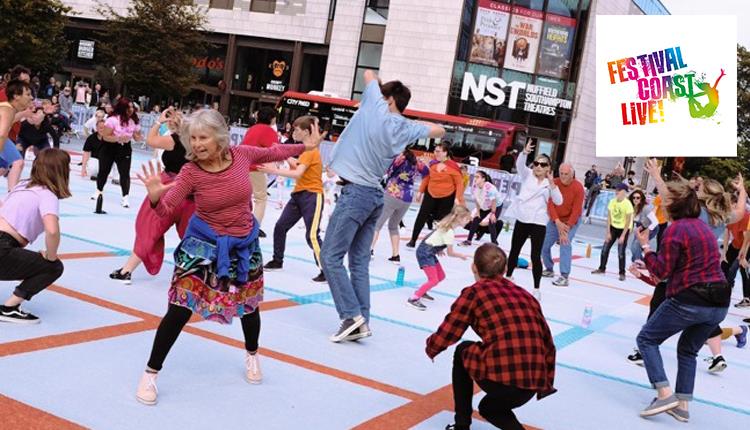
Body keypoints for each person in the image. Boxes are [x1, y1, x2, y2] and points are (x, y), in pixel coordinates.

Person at [133, 109, 323, 405]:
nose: (196, 144)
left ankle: (252, 354)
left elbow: (274, 151)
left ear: (219, 137)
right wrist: (156, 195)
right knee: (179, 307)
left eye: (203, 137)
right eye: (192, 138)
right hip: (202, 245)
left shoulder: (241, 155)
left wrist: (306, 147)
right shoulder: (191, 172)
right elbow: (166, 210)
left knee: (249, 306)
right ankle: (150, 373)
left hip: (243, 244)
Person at [321, 69, 444, 342]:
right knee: (359, 262)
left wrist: (375, 91)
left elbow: (367, 73)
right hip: (375, 195)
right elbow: (440, 129)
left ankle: (351, 316)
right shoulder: (406, 128)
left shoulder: (377, 107)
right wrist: (409, 122)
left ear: (387, 100)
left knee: (330, 256)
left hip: (356, 193)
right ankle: (362, 321)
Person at [426, 243, 557, 430]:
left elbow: (449, 331)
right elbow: (548, 343)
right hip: (531, 381)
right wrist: (545, 382)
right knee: (489, 408)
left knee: (463, 350)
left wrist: (432, 347)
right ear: (505, 269)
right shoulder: (526, 296)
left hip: (502, 376)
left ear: (474, 267)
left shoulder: (474, 293)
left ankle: (461, 425)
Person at [634, 179, 731, 423]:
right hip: (719, 302)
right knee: (687, 350)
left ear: (672, 206)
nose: (659, 205)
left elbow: (662, 272)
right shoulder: (703, 229)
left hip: (691, 299)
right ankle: (682, 406)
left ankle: (664, 394)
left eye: (662, 201)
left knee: (646, 339)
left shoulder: (676, 229)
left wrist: (646, 247)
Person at [109, 107, 194, 284]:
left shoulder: (174, 140)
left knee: (148, 228)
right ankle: (196, 276)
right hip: (192, 193)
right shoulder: (200, 145)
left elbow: (151, 140)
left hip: (167, 188)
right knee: (193, 237)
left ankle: (127, 270)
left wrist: (158, 122)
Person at [0, 148, 69, 324]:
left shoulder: (22, 185)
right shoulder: (47, 194)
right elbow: (52, 230)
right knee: (53, 267)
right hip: (3, 246)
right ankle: (9, 308)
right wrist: (51, 256)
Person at [259, 115, 326, 283]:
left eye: (296, 129)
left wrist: (273, 170)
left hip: (312, 195)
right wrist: (282, 152)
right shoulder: (305, 149)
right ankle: (277, 260)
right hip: (299, 195)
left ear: (305, 131)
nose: (293, 131)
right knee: (280, 227)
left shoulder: (311, 151)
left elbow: (297, 173)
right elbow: (297, 166)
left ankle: (327, 269)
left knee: (312, 235)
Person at [504, 139, 562, 301]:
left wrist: (552, 185)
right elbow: (521, 165)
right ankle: (508, 278)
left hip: (538, 222)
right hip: (522, 219)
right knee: (514, 250)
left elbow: (558, 201)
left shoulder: (549, 183)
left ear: (549, 169)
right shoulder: (527, 175)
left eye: (543, 165)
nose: (538, 167)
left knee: (535, 256)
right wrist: (524, 153)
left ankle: (536, 289)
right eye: (536, 163)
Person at [408, 205, 471, 310]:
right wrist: (461, 256)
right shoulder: (449, 231)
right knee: (434, 280)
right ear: (459, 218)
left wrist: (439, 248)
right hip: (426, 253)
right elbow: (450, 253)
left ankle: (423, 291)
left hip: (429, 251)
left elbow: (432, 237)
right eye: (467, 219)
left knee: (440, 276)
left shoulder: (446, 226)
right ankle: (414, 298)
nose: (468, 221)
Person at [371, 148, 429, 263]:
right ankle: (395, 255)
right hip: (407, 198)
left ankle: (369, 250)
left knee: (377, 224)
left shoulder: (399, 158)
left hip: (393, 193)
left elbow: (387, 171)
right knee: (393, 226)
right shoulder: (416, 162)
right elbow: (427, 172)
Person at [407, 142, 464, 248]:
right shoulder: (433, 163)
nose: (435, 153)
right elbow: (427, 178)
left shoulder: (453, 167)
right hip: (431, 193)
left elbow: (459, 184)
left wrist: (457, 198)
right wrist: (420, 191)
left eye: (438, 151)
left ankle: (436, 243)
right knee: (421, 216)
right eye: (435, 150)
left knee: (441, 220)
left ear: (445, 153)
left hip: (447, 196)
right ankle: (413, 240)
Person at [540, 163, 584, 287]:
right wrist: (557, 221)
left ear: (572, 174)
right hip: (556, 219)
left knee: (565, 243)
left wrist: (566, 228)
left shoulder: (578, 187)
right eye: (561, 174)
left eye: (566, 174)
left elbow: (576, 210)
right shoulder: (554, 183)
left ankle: (564, 276)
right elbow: (550, 204)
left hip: (571, 220)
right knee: (544, 243)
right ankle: (549, 269)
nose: (563, 176)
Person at [240, 106, 280, 238]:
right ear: (271, 118)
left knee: (243, 197)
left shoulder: (252, 129)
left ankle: (241, 223)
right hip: (255, 168)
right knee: (261, 198)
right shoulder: (269, 131)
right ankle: (254, 227)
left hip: (241, 166)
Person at [96, 97, 141, 210]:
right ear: (123, 108)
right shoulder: (112, 120)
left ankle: (125, 196)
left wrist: (138, 136)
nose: (131, 109)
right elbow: (105, 137)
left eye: (132, 107)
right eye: (129, 107)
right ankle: (99, 190)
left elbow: (137, 137)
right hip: (110, 147)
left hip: (125, 148)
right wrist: (118, 138)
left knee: (125, 173)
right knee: (104, 170)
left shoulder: (133, 121)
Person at [591, 183, 633, 281]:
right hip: (613, 227)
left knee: (621, 252)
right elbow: (609, 218)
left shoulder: (627, 204)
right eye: (616, 190)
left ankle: (622, 273)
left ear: (624, 192)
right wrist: (608, 232)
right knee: (605, 249)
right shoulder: (612, 202)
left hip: (624, 229)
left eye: (619, 190)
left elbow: (628, 221)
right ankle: (602, 268)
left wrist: (623, 236)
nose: (616, 192)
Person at [0, 80, 32, 191]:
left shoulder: (10, 109)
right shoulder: (7, 109)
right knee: (18, 162)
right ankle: (12, 196)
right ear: (16, 96)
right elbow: (2, 134)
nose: (31, 97)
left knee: (4, 168)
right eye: (27, 94)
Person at [460, 170, 500, 247]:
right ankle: (468, 241)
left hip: (496, 205)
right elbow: (477, 200)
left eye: (477, 177)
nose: (475, 178)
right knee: (476, 219)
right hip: (485, 206)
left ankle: (494, 243)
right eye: (475, 176)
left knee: (491, 222)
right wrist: (478, 211)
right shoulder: (475, 187)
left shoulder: (489, 187)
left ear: (483, 179)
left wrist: (493, 214)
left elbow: (494, 201)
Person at [628, 189, 657, 262]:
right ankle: (640, 260)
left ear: (641, 199)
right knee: (633, 247)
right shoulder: (633, 208)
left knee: (637, 244)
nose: (635, 199)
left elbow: (655, 222)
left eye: (638, 198)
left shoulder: (646, 208)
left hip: (650, 228)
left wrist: (648, 231)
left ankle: (638, 261)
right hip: (640, 228)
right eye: (634, 198)